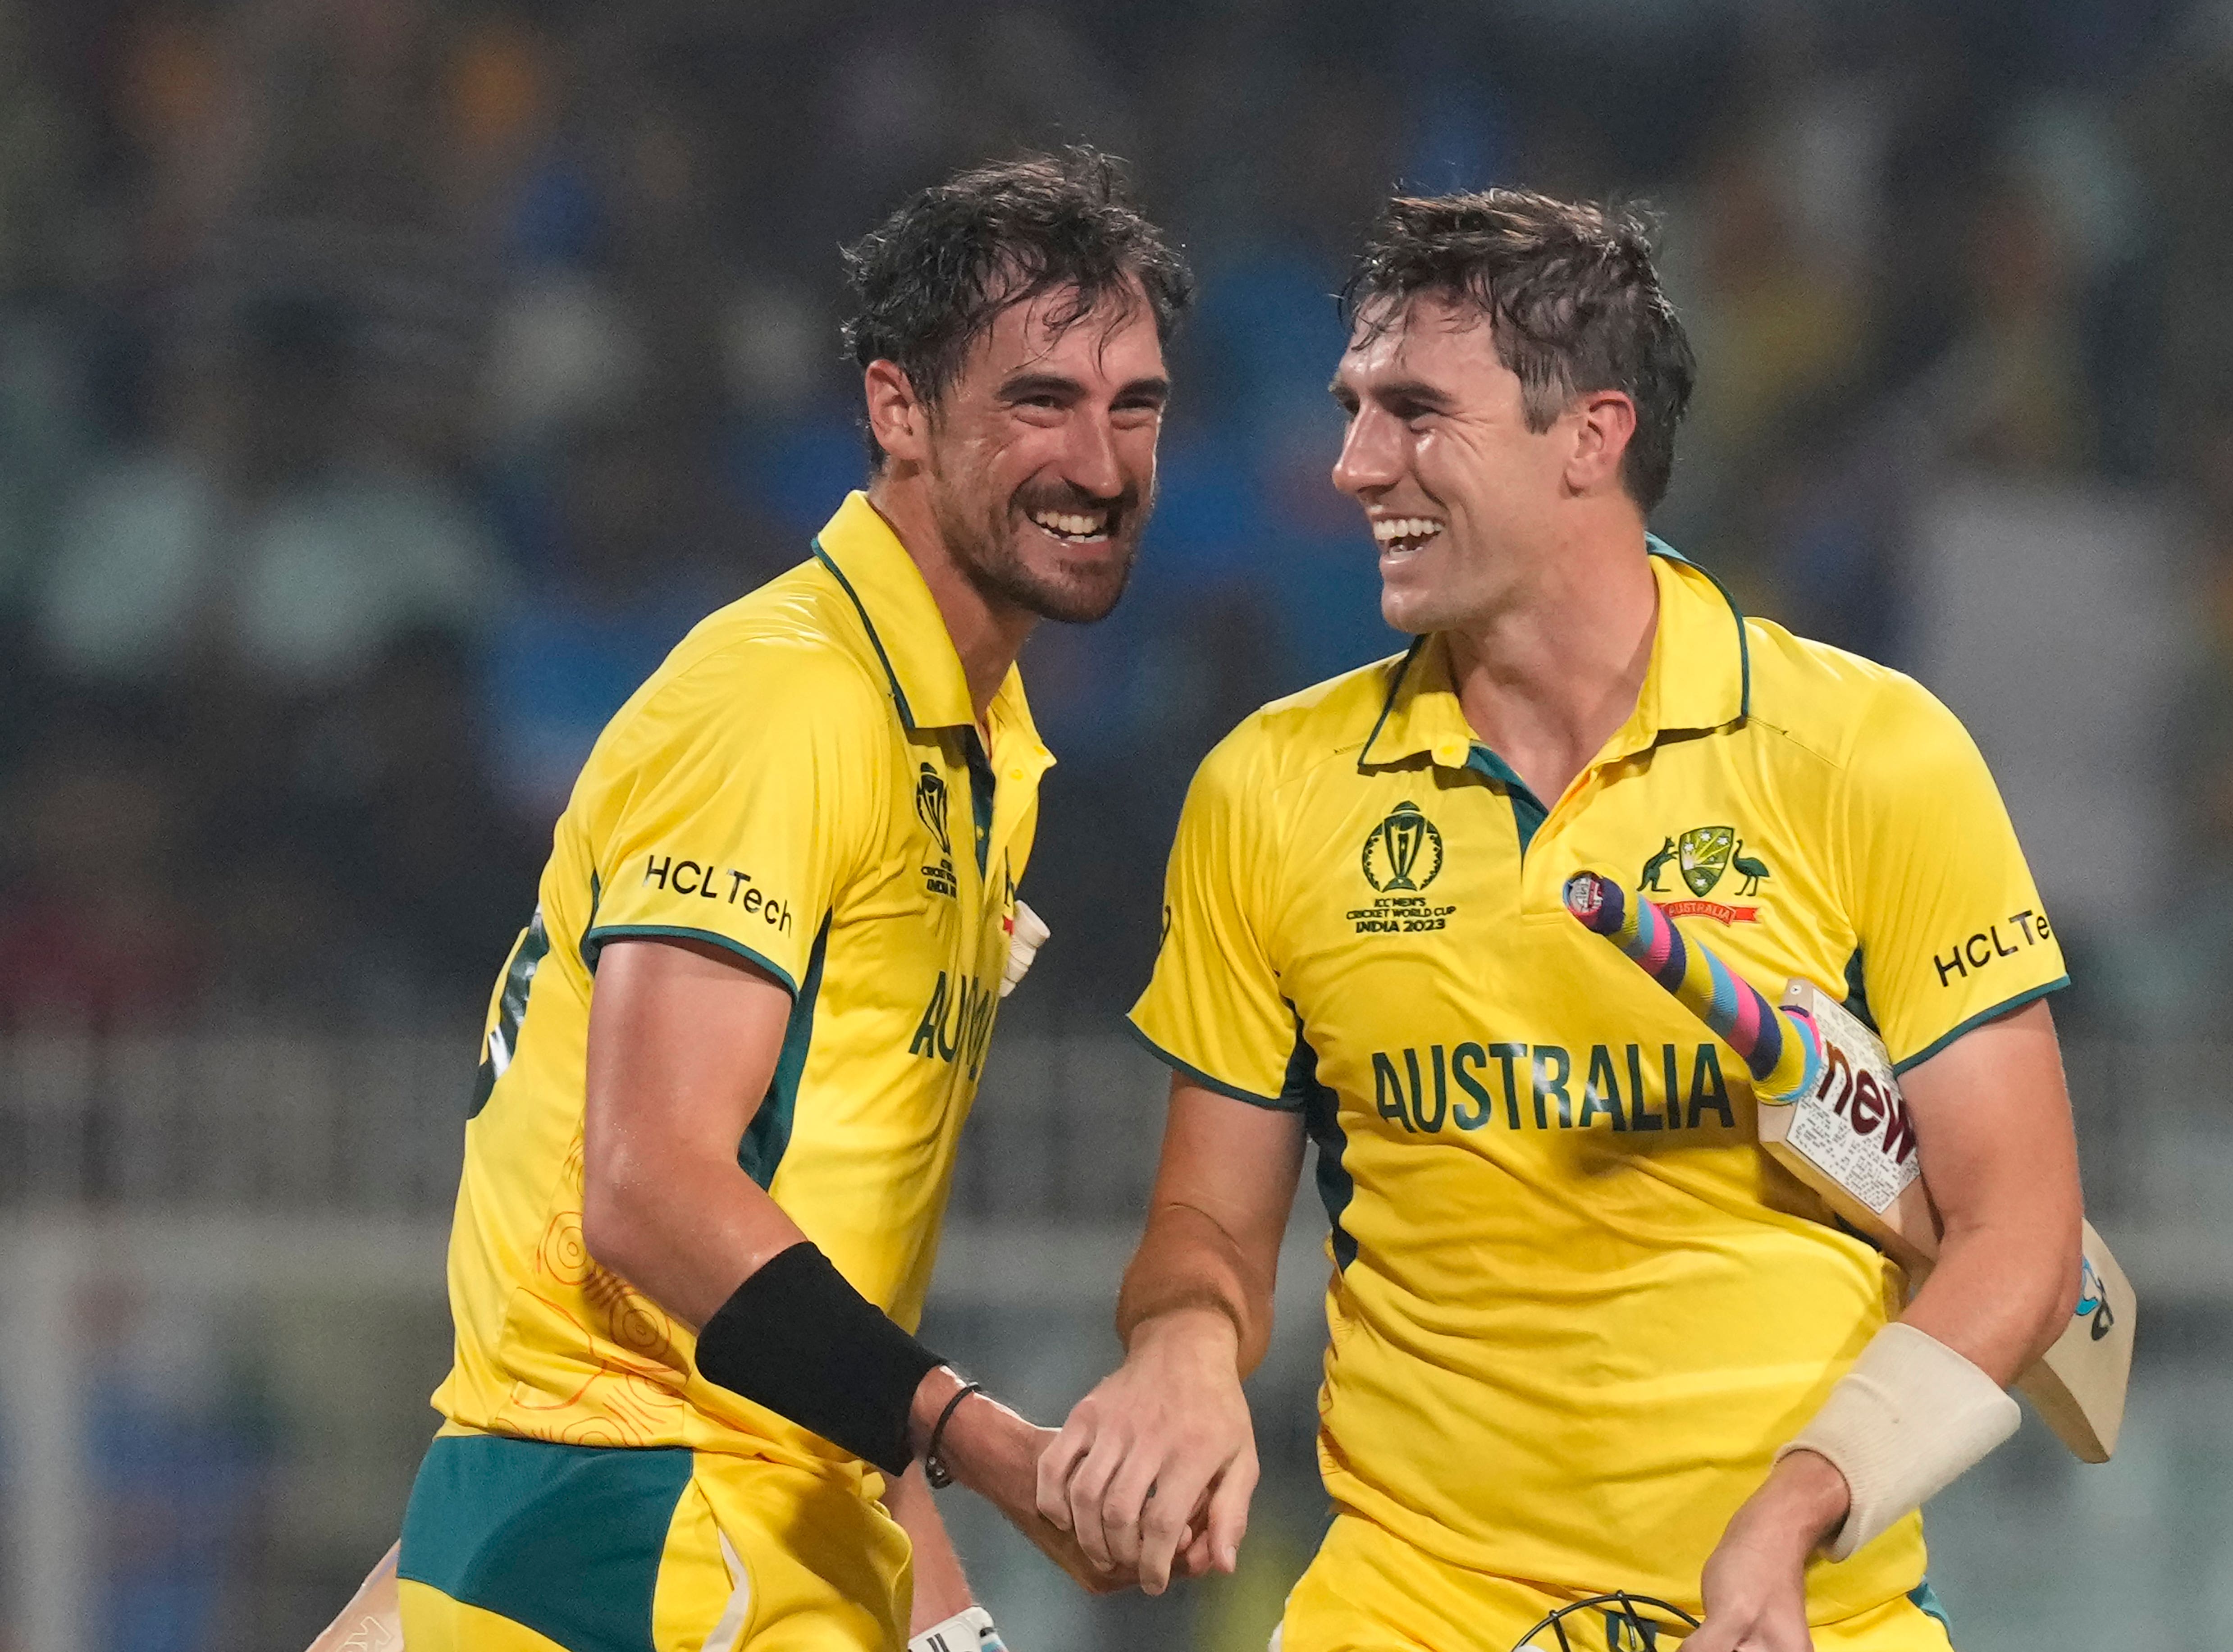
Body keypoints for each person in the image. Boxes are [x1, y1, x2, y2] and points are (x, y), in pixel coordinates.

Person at [1037, 191, 2086, 1652]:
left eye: (1412, 412)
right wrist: (1184, 1346)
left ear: (1590, 435)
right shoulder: (1267, 790)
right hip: (1406, 1611)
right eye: (1352, 409)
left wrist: (1787, 1516)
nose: (1351, 466)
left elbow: (2021, 1236)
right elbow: (1208, 1220)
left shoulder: (1868, 754)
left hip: (1797, 1614)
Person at [319, 149, 1194, 1652]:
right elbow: (651, 1184)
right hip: (649, 1527)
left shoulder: (975, 749)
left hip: (704, 1518)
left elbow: (797, 1260)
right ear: (895, 410)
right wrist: (980, 1442)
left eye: (1136, 407)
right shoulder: (787, 702)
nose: (1100, 463)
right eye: (1039, 401)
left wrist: (944, 1607)